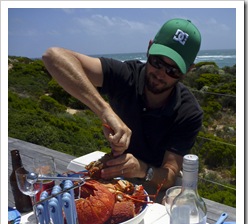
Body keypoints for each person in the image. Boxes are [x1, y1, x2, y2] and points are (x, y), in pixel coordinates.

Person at [42, 18, 203, 203]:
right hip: (118, 175)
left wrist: (142, 169)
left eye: (172, 70)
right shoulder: (125, 75)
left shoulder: (188, 112)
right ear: (149, 48)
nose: (160, 74)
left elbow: (170, 174)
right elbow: (52, 56)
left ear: (188, 70)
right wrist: (105, 111)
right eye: (157, 62)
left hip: (156, 182)